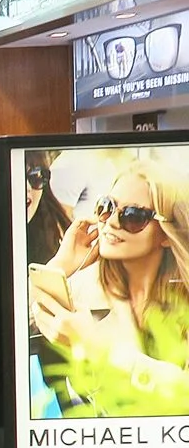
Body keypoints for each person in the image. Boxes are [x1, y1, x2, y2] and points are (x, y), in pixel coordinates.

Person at [32, 159, 189, 414]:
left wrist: (95, 347)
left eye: (133, 216)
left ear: (166, 233)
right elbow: (11, 333)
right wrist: (62, 263)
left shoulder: (183, 302)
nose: (112, 222)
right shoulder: (82, 289)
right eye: (106, 207)